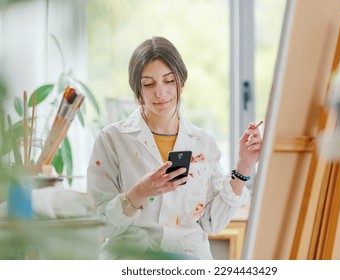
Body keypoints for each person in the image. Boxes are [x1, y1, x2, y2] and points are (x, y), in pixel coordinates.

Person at [87, 36, 263, 260]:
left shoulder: (203, 143)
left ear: (181, 82)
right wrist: (138, 193)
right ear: (138, 91)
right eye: (149, 84)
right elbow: (101, 226)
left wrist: (244, 165)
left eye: (168, 81)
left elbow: (212, 222)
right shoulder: (111, 139)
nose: (160, 93)